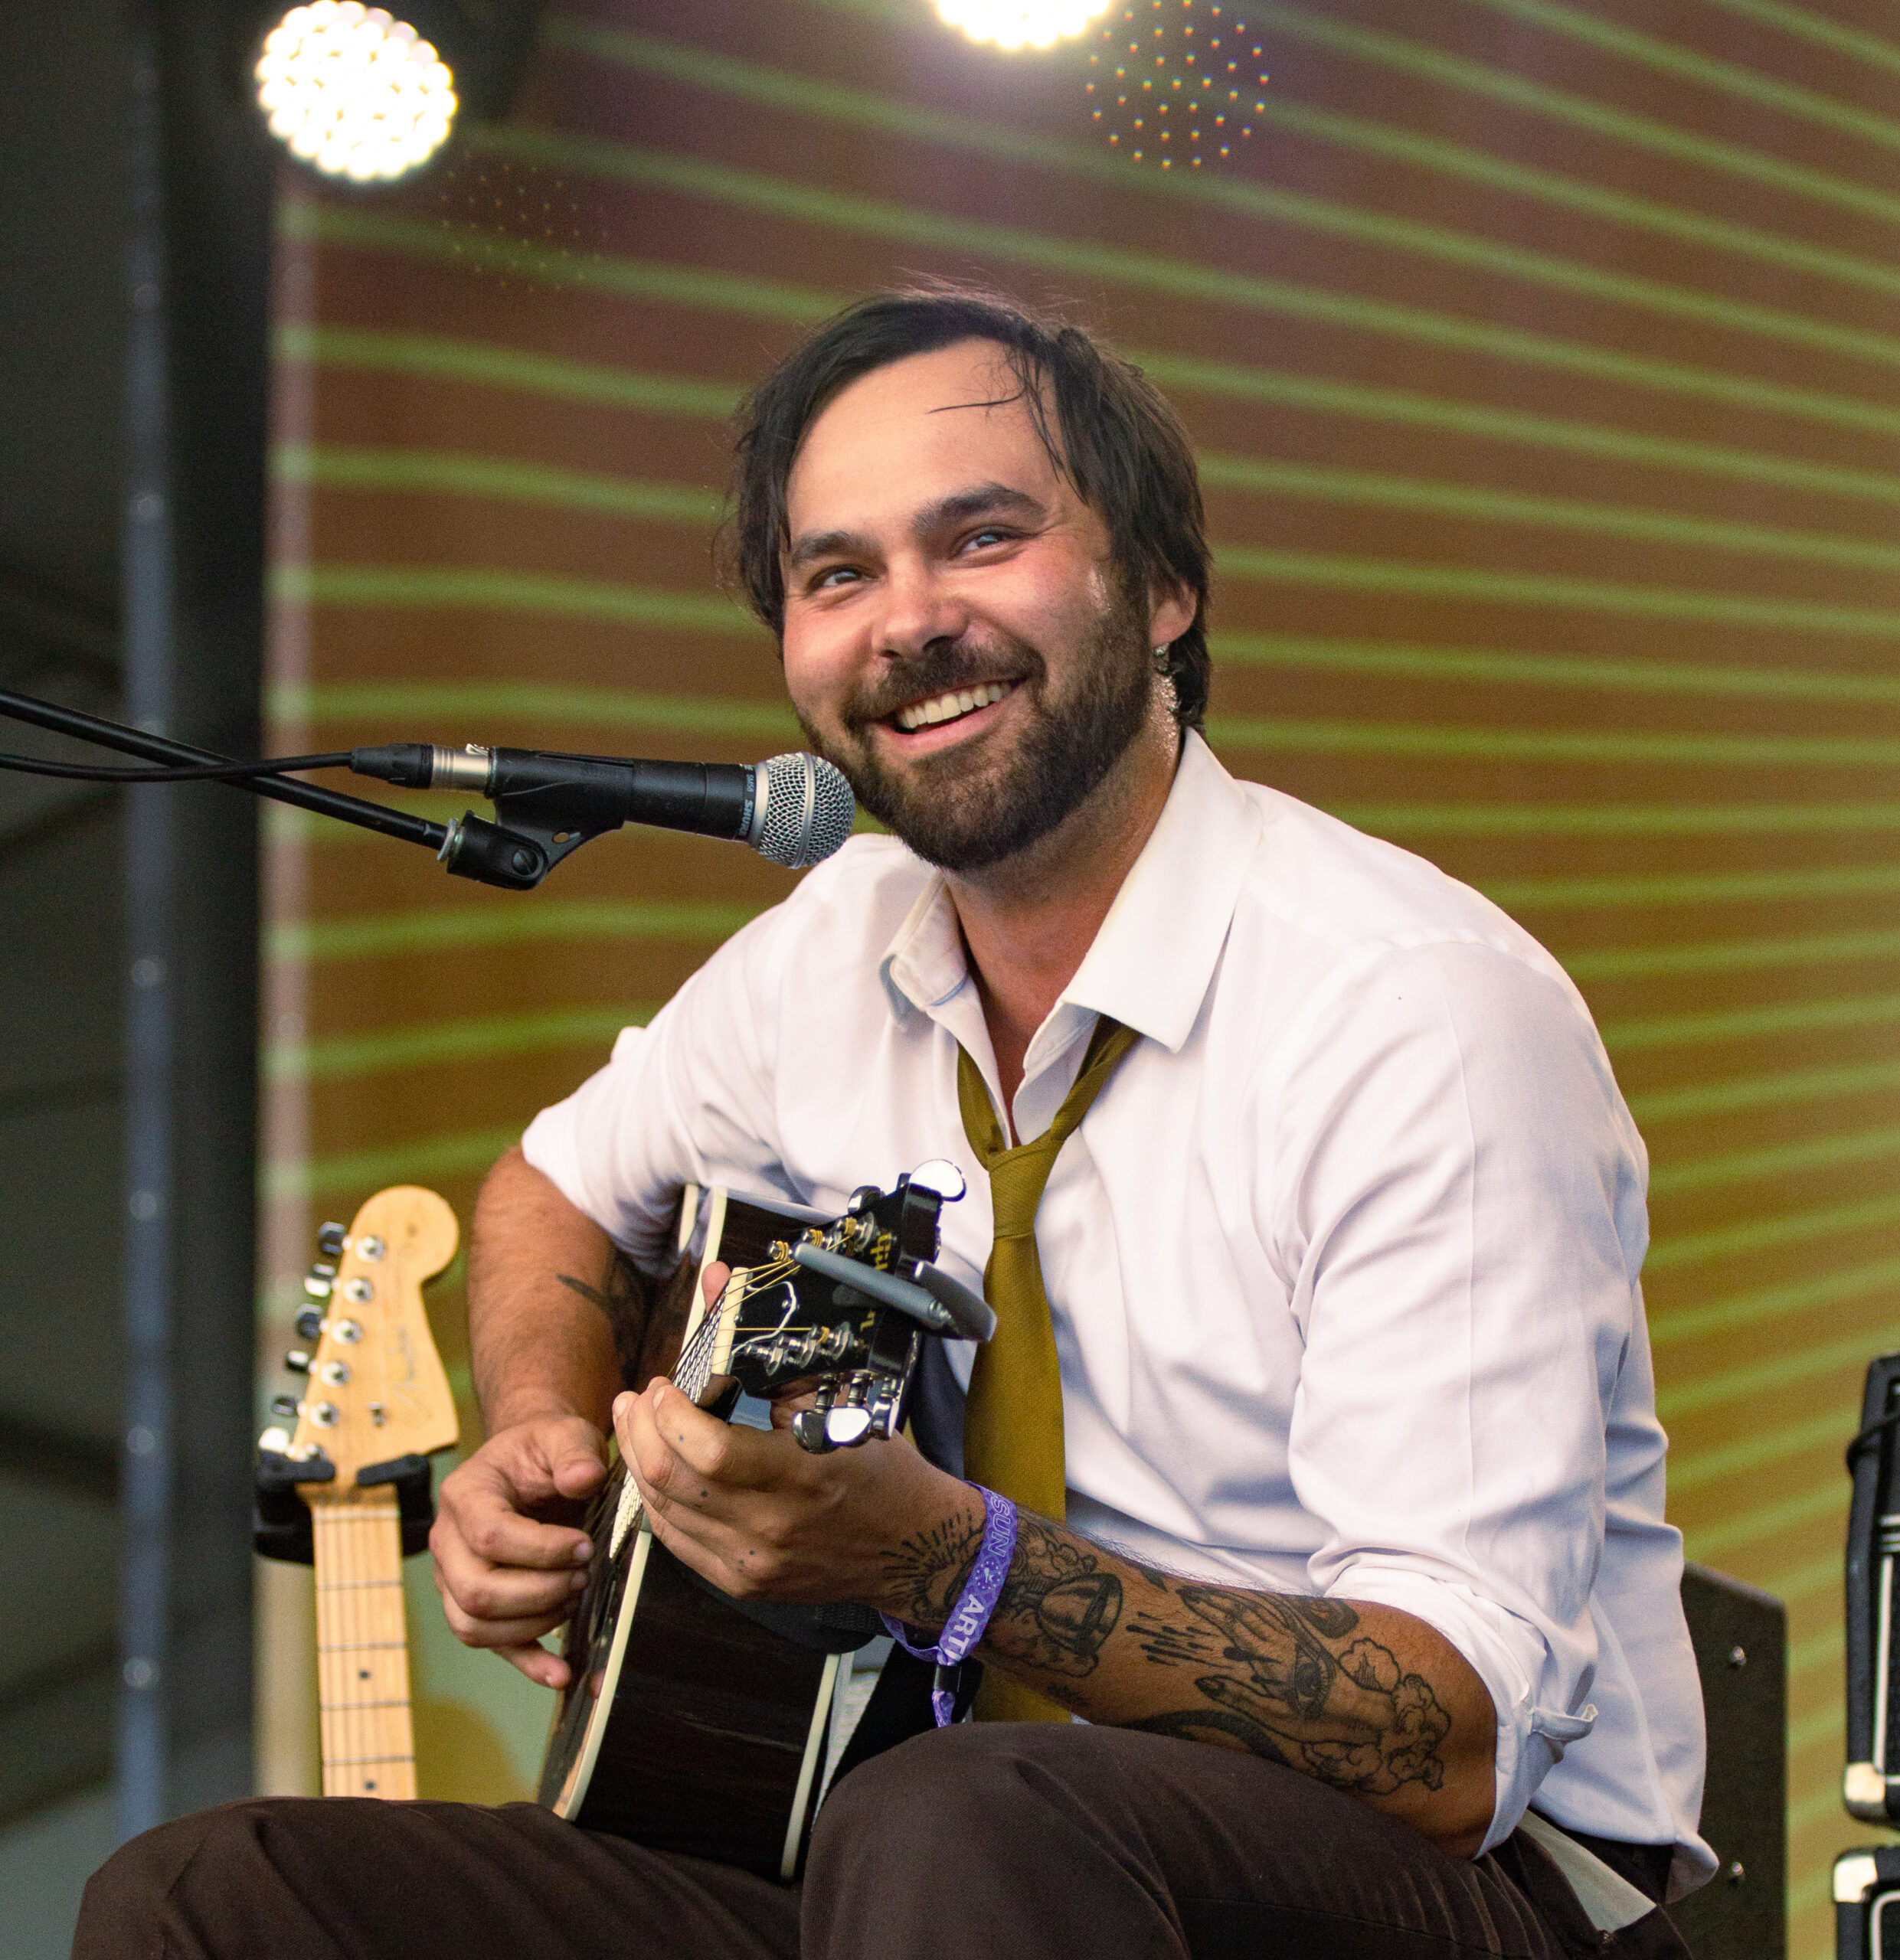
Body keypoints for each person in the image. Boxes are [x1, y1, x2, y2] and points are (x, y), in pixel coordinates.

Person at [77, 285, 1709, 1959]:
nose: (905, 621)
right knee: (213, 1899)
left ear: (1164, 587)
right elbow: (551, 1189)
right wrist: (535, 1438)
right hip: (924, 1870)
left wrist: (949, 1562)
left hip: (1480, 1892)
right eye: (835, 573)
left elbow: (1449, 1738)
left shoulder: (1407, 1008)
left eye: (980, 537)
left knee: (964, 1819)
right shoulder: (829, 945)